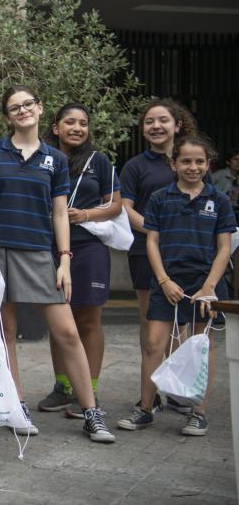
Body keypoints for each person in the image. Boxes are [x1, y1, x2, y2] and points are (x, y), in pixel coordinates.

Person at [0, 85, 114, 443]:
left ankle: (91, 411)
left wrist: (65, 260)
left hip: (40, 252)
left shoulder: (54, 159)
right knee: (5, 335)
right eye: (14, 107)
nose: (22, 110)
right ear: (7, 116)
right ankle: (16, 405)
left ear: (40, 110)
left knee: (68, 332)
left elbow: (59, 212)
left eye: (28, 104)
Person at [117, 135, 236, 435]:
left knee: (202, 347)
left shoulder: (219, 200)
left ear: (208, 164)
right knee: (154, 344)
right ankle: (145, 408)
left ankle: (199, 412)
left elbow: (224, 248)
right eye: (185, 161)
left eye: (199, 161)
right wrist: (164, 280)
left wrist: (210, 286)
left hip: (205, 285)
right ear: (173, 163)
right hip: (167, 282)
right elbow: (152, 242)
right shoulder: (160, 198)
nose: (192, 167)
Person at [36, 104, 122, 418]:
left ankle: (90, 389)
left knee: (88, 321)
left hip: (88, 247)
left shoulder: (99, 161)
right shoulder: (43, 158)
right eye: (69, 122)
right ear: (55, 127)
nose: (77, 128)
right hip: (50, 247)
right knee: (61, 321)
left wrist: (84, 214)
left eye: (83, 123)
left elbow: (114, 206)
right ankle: (63, 387)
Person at [119, 99, 200, 415]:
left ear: (178, 125)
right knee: (151, 322)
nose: (156, 126)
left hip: (187, 252)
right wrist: (156, 232)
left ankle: (179, 388)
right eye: (149, 121)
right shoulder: (135, 166)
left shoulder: (191, 160)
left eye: (163, 120)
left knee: (186, 323)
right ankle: (152, 392)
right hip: (144, 250)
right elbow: (125, 208)